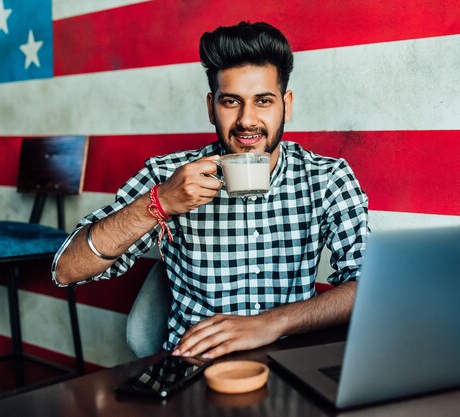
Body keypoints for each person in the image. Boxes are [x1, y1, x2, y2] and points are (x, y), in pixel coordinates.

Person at [53, 21, 369, 359]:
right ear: (211, 107)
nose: (247, 120)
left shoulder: (327, 177)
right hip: (194, 367)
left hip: (287, 362)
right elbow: (67, 269)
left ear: (286, 105)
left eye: (263, 101)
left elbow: (367, 286)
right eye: (231, 102)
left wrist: (270, 324)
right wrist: (160, 203)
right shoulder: (167, 176)